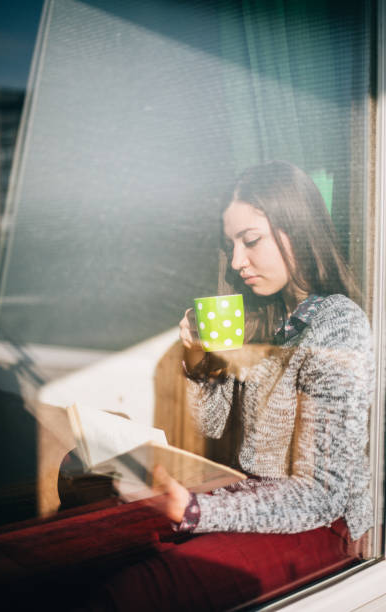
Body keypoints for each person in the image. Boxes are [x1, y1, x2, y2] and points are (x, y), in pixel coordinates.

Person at [88, 161, 375, 611]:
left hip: (324, 526)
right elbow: (214, 422)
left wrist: (199, 510)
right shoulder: (265, 318)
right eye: (231, 245)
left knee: (137, 589)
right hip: (258, 499)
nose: (238, 261)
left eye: (251, 241)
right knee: (109, 542)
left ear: (296, 230)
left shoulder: (338, 325)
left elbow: (323, 493)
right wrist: (201, 361)